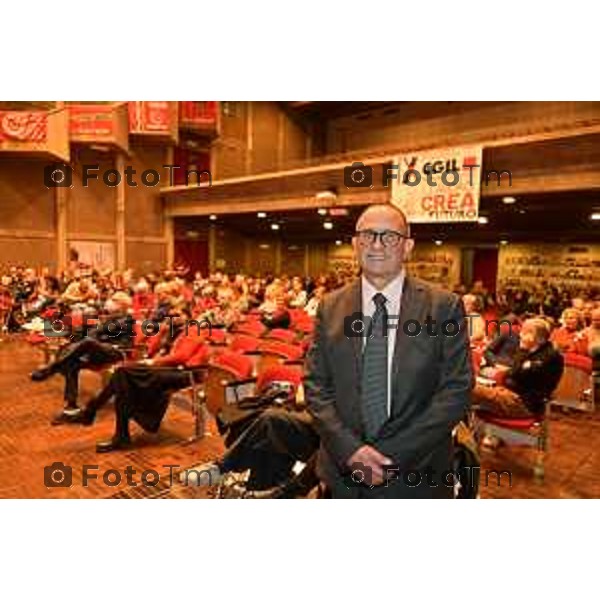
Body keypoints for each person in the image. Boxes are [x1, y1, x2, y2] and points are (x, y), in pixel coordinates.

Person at [304, 203, 472, 499]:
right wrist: (351, 451)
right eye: (368, 235)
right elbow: (316, 385)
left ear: (407, 247)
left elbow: (455, 391)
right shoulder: (330, 306)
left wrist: (387, 456)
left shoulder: (444, 306)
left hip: (417, 474)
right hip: (343, 474)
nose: (377, 245)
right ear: (355, 245)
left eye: (389, 236)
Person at [472, 318, 564, 419]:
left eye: (524, 332)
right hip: (511, 394)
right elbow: (513, 374)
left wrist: (522, 350)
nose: (520, 335)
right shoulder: (534, 350)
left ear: (536, 337)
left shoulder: (550, 356)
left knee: (467, 389)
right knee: (465, 387)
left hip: (523, 404)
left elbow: (515, 374)